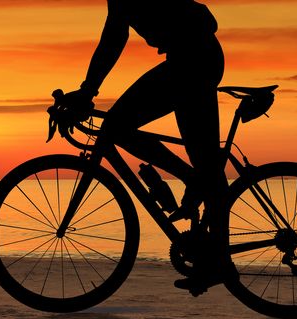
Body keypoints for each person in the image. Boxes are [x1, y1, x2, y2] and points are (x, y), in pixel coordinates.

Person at [60, 0, 230, 294]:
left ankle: (196, 186)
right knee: (206, 163)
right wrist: (87, 90)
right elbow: (114, 37)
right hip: (194, 57)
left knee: (116, 127)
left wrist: (87, 91)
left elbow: (114, 38)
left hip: (191, 60)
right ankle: (219, 259)